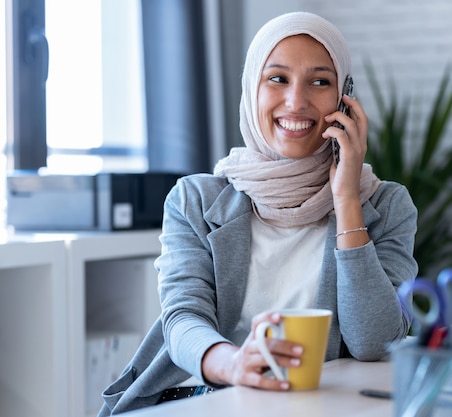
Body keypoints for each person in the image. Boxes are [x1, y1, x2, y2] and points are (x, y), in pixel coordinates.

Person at [98, 11, 418, 416]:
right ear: (252, 89)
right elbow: (182, 319)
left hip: (316, 406)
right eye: (278, 78)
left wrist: (347, 199)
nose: (297, 101)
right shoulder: (194, 199)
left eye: (320, 81)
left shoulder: (385, 205)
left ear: (344, 99)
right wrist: (232, 364)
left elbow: (373, 341)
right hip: (203, 397)